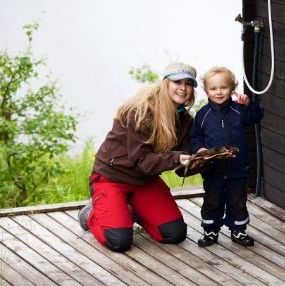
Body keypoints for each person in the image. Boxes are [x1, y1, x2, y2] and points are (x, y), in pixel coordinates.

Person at [78, 62, 197, 252]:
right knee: (119, 241)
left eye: (188, 83)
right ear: (165, 83)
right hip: (112, 178)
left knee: (174, 233)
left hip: (144, 181)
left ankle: (131, 211)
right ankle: (92, 214)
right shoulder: (141, 112)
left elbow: (182, 166)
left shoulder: (185, 120)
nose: (183, 88)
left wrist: (204, 159)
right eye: (177, 82)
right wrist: (177, 158)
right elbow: (142, 161)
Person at [190, 66, 263, 247]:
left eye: (223, 87)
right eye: (213, 89)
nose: (219, 92)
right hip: (213, 170)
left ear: (232, 88)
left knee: (237, 201)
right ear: (206, 91)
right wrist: (199, 149)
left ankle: (238, 230)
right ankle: (210, 231)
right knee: (212, 200)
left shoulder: (239, 111)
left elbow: (256, 116)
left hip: (237, 169)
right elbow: (195, 137)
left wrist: (248, 104)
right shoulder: (203, 115)